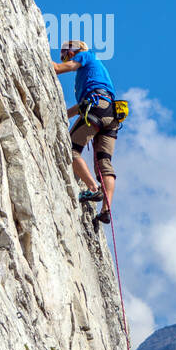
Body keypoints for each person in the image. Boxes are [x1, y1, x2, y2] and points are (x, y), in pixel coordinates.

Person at [52, 39, 119, 225]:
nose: (64, 54)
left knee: (70, 150)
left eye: (65, 51)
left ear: (76, 50)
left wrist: (51, 64)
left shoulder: (86, 55)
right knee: (104, 163)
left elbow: (61, 68)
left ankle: (93, 187)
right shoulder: (94, 73)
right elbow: (83, 106)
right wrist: (65, 115)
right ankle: (106, 209)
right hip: (110, 114)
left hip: (96, 107)